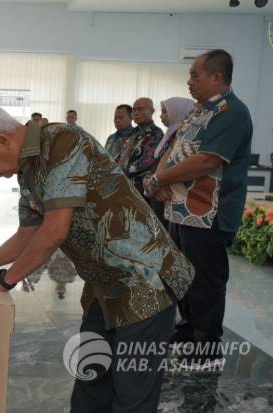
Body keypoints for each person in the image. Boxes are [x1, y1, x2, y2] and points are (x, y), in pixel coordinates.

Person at [0, 104, 194, 412]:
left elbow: (54, 231)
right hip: (105, 287)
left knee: (132, 394)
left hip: (145, 282)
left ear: (2, 141)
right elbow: (26, 235)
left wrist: (5, 279)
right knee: (91, 384)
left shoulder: (63, 142)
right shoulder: (27, 171)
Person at [145, 49, 252, 362]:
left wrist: (159, 180)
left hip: (210, 214)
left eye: (195, 74)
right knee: (183, 275)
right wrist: (160, 179)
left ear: (216, 77)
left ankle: (206, 343)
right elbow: (175, 146)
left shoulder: (231, 111)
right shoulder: (198, 111)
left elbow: (206, 160)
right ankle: (189, 327)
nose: (189, 81)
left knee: (206, 280)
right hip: (181, 210)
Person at [117, 98, 165, 223]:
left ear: (152, 111)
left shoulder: (156, 134)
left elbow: (145, 162)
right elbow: (121, 157)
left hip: (143, 190)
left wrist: (120, 172)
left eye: (141, 109)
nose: (136, 113)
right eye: (134, 110)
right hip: (126, 188)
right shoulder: (131, 134)